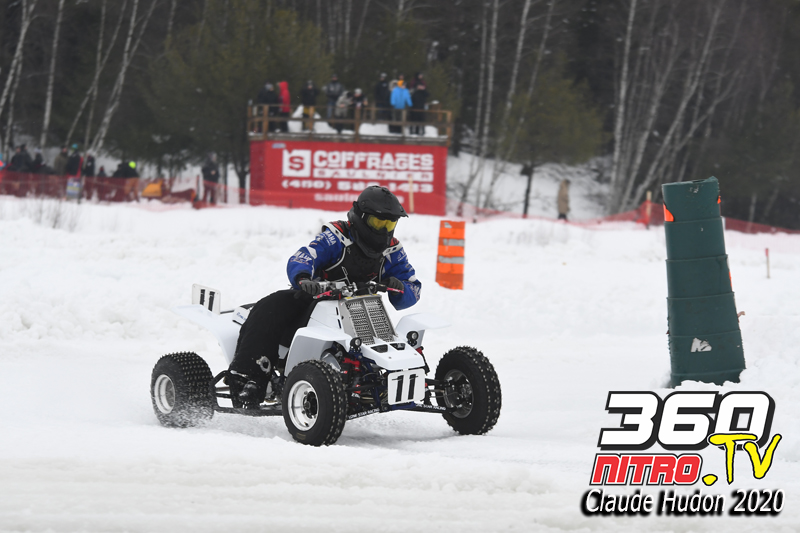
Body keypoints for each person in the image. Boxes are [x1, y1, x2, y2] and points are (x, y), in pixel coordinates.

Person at [226, 186, 422, 406]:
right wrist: (303, 278)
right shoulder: (336, 237)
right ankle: (247, 377)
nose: (384, 230)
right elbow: (304, 256)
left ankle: (384, 378)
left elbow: (413, 287)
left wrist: (401, 288)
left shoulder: (392, 251)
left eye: (390, 224)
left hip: (363, 309)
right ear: (361, 217)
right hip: (317, 299)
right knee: (269, 306)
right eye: (378, 223)